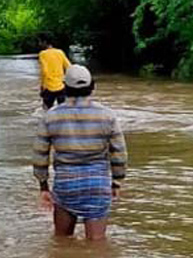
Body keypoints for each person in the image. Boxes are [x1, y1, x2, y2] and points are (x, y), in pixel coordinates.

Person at [33, 64, 127, 240]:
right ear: (92, 87)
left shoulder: (51, 116)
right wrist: (116, 183)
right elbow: (119, 153)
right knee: (96, 246)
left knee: (61, 242)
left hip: (65, 185)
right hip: (97, 186)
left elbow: (40, 154)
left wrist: (43, 186)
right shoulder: (107, 115)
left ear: (65, 87)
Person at [37, 33, 71, 110]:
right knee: (63, 110)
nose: (39, 44)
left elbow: (44, 72)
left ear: (45, 42)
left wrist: (42, 86)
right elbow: (69, 67)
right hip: (61, 86)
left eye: (40, 41)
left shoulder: (42, 54)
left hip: (48, 87)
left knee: (46, 110)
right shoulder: (60, 52)